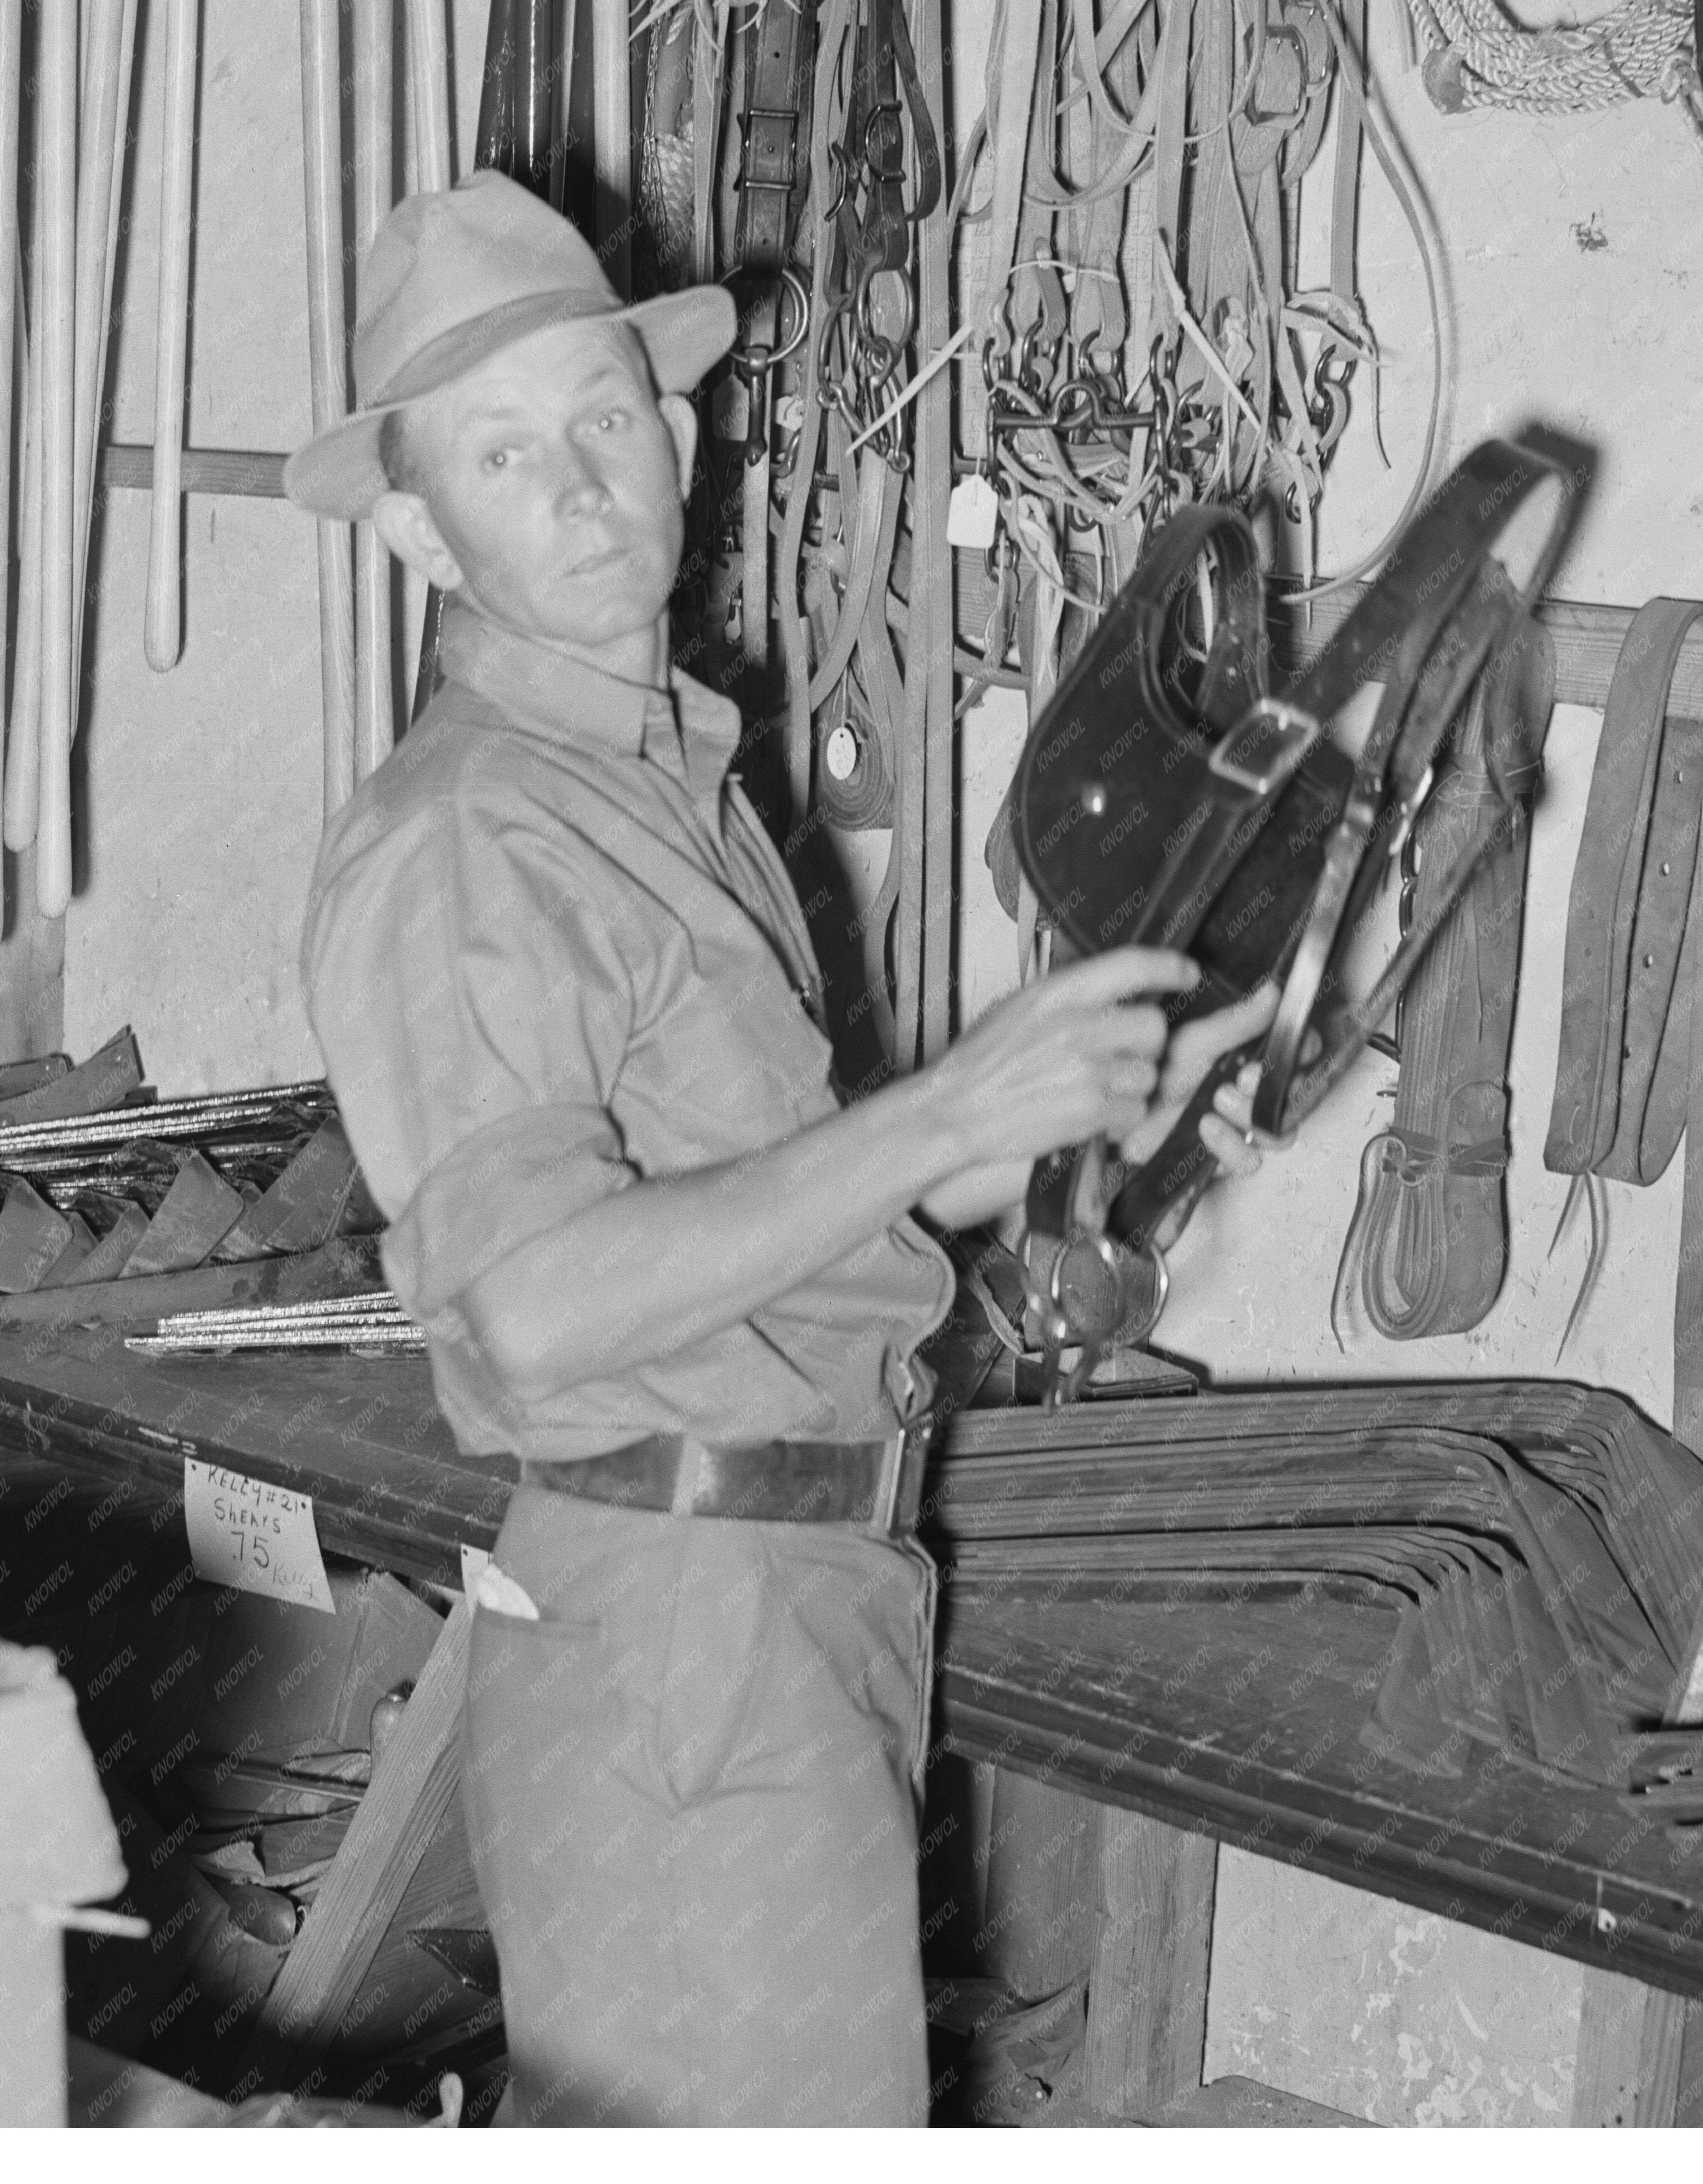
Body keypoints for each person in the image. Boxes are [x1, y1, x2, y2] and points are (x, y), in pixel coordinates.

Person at [289, 173, 1275, 2127]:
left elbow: (775, 1227)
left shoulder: (662, 781)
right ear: (419, 529)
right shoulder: (471, 836)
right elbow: (540, 1308)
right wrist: (949, 1105)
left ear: (676, 437)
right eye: (501, 455)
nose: (577, 487)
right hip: (679, 1623)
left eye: (602, 420)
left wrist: (1070, 1121)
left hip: (802, 1591)